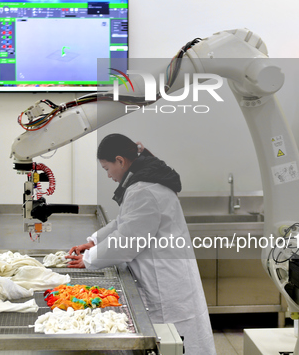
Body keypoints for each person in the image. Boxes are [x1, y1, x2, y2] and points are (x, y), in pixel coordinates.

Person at [67, 133, 216, 355]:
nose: (108, 175)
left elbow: (126, 241)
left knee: (175, 343)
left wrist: (88, 259)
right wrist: (94, 241)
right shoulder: (146, 183)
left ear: (120, 160)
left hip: (166, 284)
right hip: (166, 274)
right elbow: (124, 222)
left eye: (107, 168)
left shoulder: (144, 190)